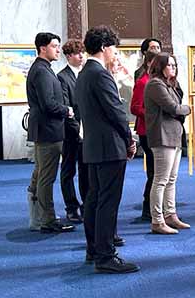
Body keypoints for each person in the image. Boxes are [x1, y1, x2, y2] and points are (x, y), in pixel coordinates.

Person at [76, 25, 139, 274]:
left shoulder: (84, 73)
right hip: (109, 147)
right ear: (104, 47)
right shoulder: (100, 75)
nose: (115, 53)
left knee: (94, 200)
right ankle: (105, 255)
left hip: (93, 146)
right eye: (114, 47)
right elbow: (116, 112)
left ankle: (94, 249)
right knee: (107, 202)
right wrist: (130, 139)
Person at [26, 32, 75, 233]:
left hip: (47, 129)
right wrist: (67, 110)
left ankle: (39, 217)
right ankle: (47, 220)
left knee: (41, 174)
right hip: (48, 130)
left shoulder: (43, 69)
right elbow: (48, 104)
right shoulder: (42, 71)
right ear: (43, 48)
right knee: (47, 176)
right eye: (54, 46)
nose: (57, 50)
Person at [144, 52, 191, 234]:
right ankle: (157, 220)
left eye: (174, 65)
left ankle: (170, 214)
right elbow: (173, 107)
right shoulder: (155, 83)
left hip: (173, 135)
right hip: (162, 136)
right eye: (170, 65)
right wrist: (187, 109)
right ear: (160, 66)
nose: (173, 68)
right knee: (161, 180)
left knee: (171, 179)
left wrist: (180, 109)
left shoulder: (169, 84)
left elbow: (175, 106)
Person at [57, 40, 86, 224]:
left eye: (82, 52)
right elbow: (67, 108)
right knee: (68, 171)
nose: (81, 55)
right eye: (77, 53)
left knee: (85, 170)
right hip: (70, 132)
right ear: (68, 56)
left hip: (86, 131)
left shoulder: (85, 75)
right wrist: (78, 131)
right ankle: (71, 207)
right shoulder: (62, 77)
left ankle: (85, 204)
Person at [130, 51, 158, 221]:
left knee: (159, 172)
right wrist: (152, 113)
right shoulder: (142, 82)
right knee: (154, 172)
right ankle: (148, 207)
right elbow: (134, 107)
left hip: (158, 130)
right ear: (148, 64)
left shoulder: (158, 81)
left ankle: (156, 206)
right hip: (147, 130)